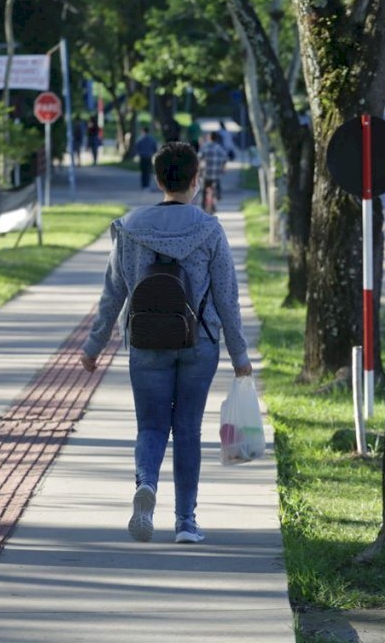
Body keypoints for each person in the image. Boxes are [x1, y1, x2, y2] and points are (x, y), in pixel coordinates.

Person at [79, 141, 253, 544]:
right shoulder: (209, 229)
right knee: (188, 430)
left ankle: (147, 485)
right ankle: (186, 522)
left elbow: (113, 292)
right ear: (196, 179)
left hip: (146, 341)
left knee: (152, 426)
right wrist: (240, 354)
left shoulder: (129, 227)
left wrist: (94, 345)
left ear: (158, 179)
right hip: (200, 343)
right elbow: (227, 296)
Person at [198, 131, 229, 212]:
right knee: (217, 184)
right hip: (216, 174)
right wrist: (223, 168)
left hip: (207, 174)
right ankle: (218, 196)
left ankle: (203, 205)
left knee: (204, 189)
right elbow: (225, 158)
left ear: (209, 138)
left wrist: (199, 169)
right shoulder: (219, 148)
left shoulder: (205, 147)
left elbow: (199, 158)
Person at [134, 127, 158, 191]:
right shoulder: (152, 139)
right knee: (148, 172)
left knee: (143, 172)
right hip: (149, 157)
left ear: (143, 132)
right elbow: (155, 148)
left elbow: (136, 148)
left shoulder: (140, 139)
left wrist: (138, 154)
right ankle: (147, 185)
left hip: (142, 157)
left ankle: (143, 185)